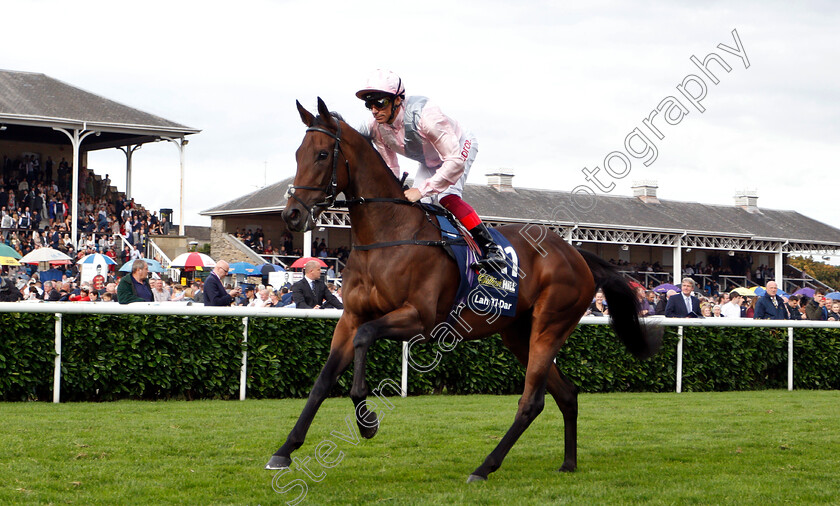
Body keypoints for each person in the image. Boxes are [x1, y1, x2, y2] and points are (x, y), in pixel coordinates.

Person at [356, 69, 505, 270]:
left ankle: (492, 249)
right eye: (369, 105)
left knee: (447, 197)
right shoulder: (376, 127)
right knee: (419, 207)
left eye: (380, 103)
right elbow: (391, 167)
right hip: (429, 160)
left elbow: (454, 162)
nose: (374, 110)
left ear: (398, 100)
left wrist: (422, 189)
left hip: (458, 147)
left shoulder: (427, 116)